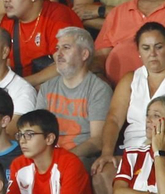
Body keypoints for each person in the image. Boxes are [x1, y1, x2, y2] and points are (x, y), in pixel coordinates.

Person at [94, 22, 165, 194]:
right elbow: (114, 120)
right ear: (138, 52)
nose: (152, 54)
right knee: (102, 172)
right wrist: (107, 152)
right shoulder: (130, 79)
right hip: (130, 153)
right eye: (146, 48)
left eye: (158, 47)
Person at [39, 26, 111, 160]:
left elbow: (97, 140)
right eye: (57, 48)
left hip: (80, 158)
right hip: (47, 157)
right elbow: (38, 131)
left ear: (84, 54)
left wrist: (64, 159)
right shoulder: (46, 87)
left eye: (66, 48)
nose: (58, 54)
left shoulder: (99, 89)